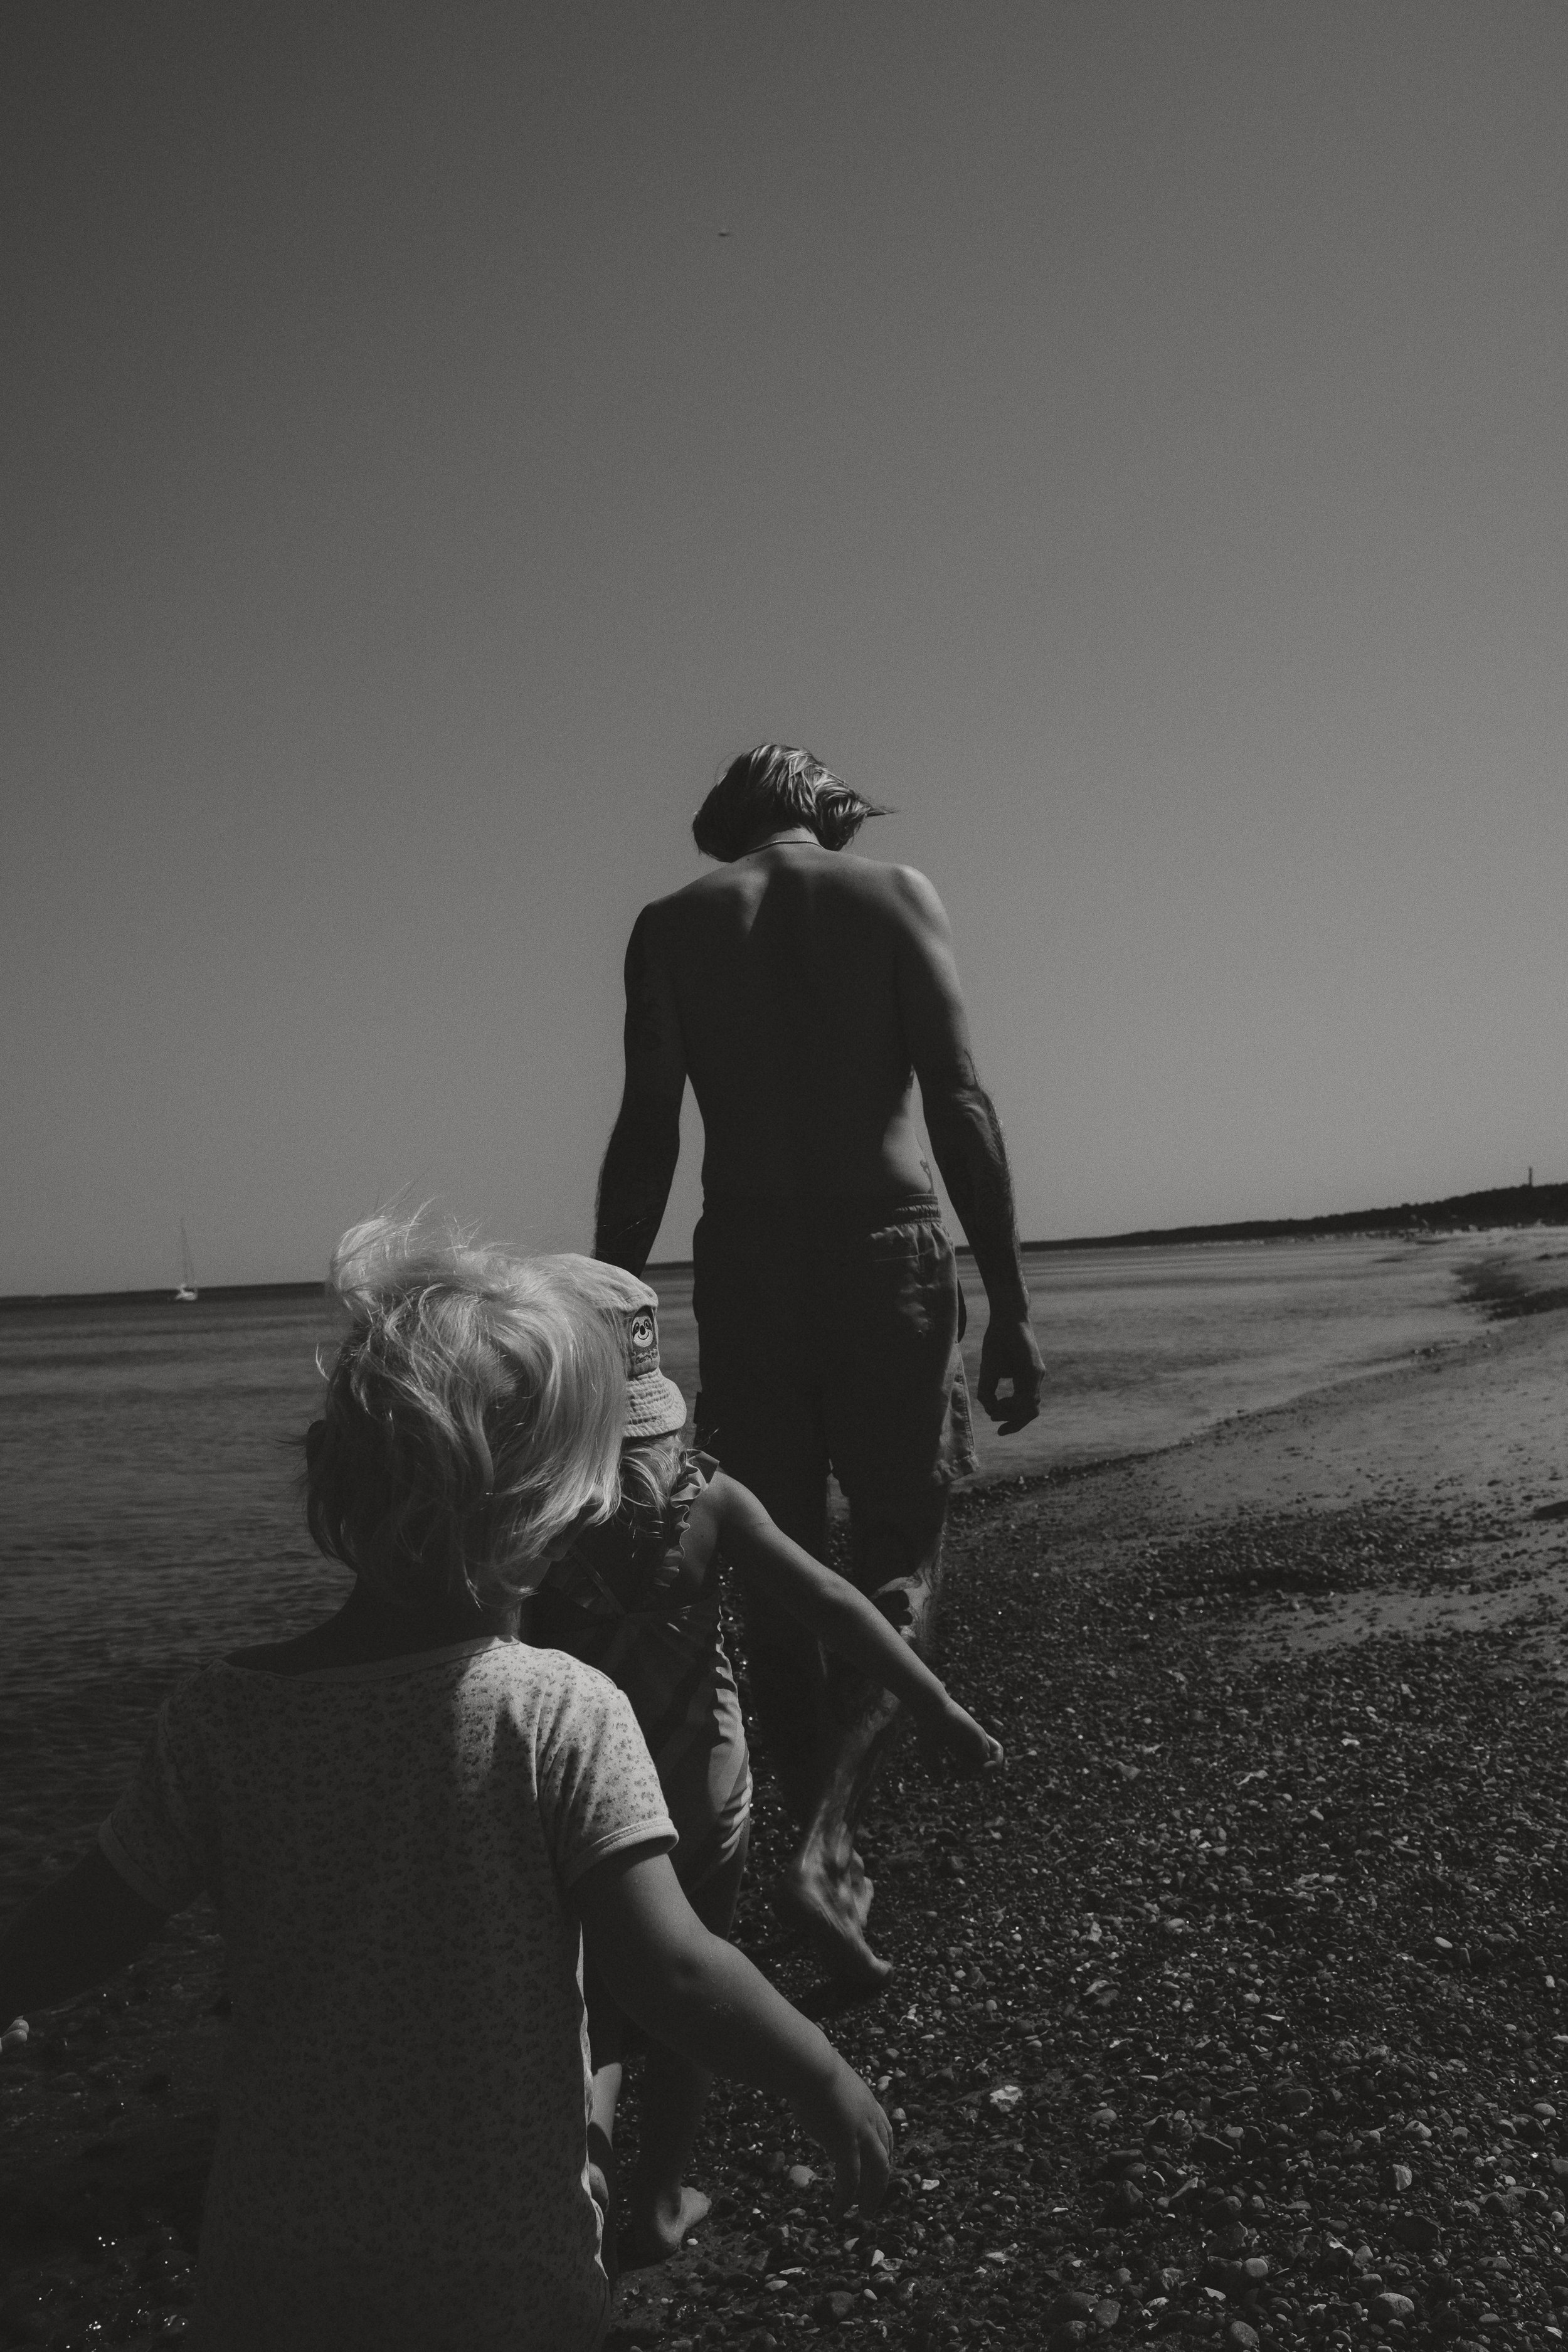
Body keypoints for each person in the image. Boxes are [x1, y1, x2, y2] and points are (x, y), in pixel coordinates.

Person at [0, 1215, 891, 2352]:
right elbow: (670, 1969)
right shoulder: (560, 1713)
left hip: (278, 2259)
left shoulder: (220, 1718)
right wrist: (820, 2074)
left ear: (336, 1479)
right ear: (563, 1508)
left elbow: (94, 1917)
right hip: (501, 2264)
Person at [593, 743, 1044, 1986]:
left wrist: (603, 1310)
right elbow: (959, 1101)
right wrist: (1006, 1301)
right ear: (819, 808)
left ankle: (807, 1839)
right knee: (900, 1545)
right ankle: (831, 1838)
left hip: (744, 1260)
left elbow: (645, 1130)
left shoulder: (668, 926)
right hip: (881, 1252)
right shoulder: (894, 895)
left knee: (775, 1558)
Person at [531, 1261, 1002, 2260]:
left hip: (576, 1797)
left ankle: (584, 2177)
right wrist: (938, 1705)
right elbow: (834, 1600)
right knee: (697, 1995)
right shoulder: (707, 1498)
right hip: (701, 1791)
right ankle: (659, 2205)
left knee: (599, 2005)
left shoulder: (527, 1520)